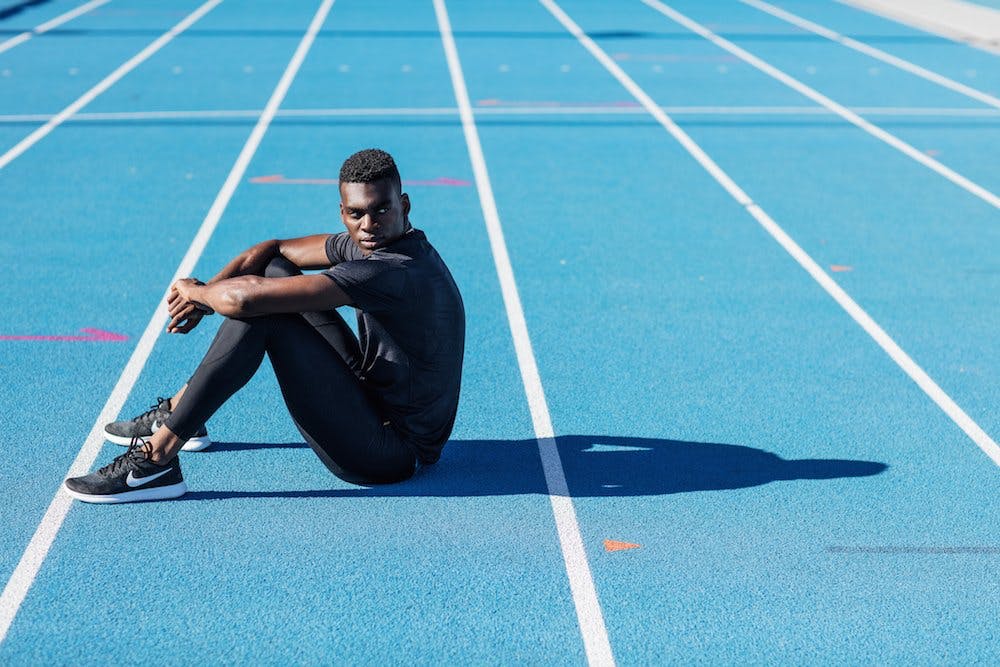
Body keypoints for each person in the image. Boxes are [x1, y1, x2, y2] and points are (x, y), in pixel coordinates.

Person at [64, 149, 465, 503]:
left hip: (393, 451)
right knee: (275, 271)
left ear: (404, 205)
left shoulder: (394, 271)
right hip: (374, 396)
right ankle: (181, 411)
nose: (369, 224)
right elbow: (271, 251)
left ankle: (155, 460)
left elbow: (243, 300)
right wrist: (205, 299)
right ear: (342, 213)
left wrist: (198, 294)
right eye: (356, 213)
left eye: (382, 209)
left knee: (264, 314)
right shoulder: (370, 242)